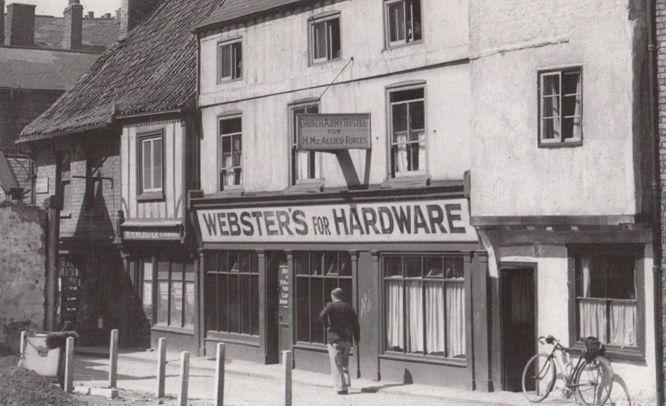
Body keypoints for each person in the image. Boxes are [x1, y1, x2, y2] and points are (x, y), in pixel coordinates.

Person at [319, 287, 360, 395]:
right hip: (347, 340)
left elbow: (322, 315)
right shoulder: (348, 307)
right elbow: (356, 323)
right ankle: (346, 385)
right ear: (342, 297)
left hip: (335, 339)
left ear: (333, 296)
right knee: (345, 363)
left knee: (336, 364)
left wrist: (327, 326)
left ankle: (341, 388)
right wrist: (356, 338)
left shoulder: (330, 305)